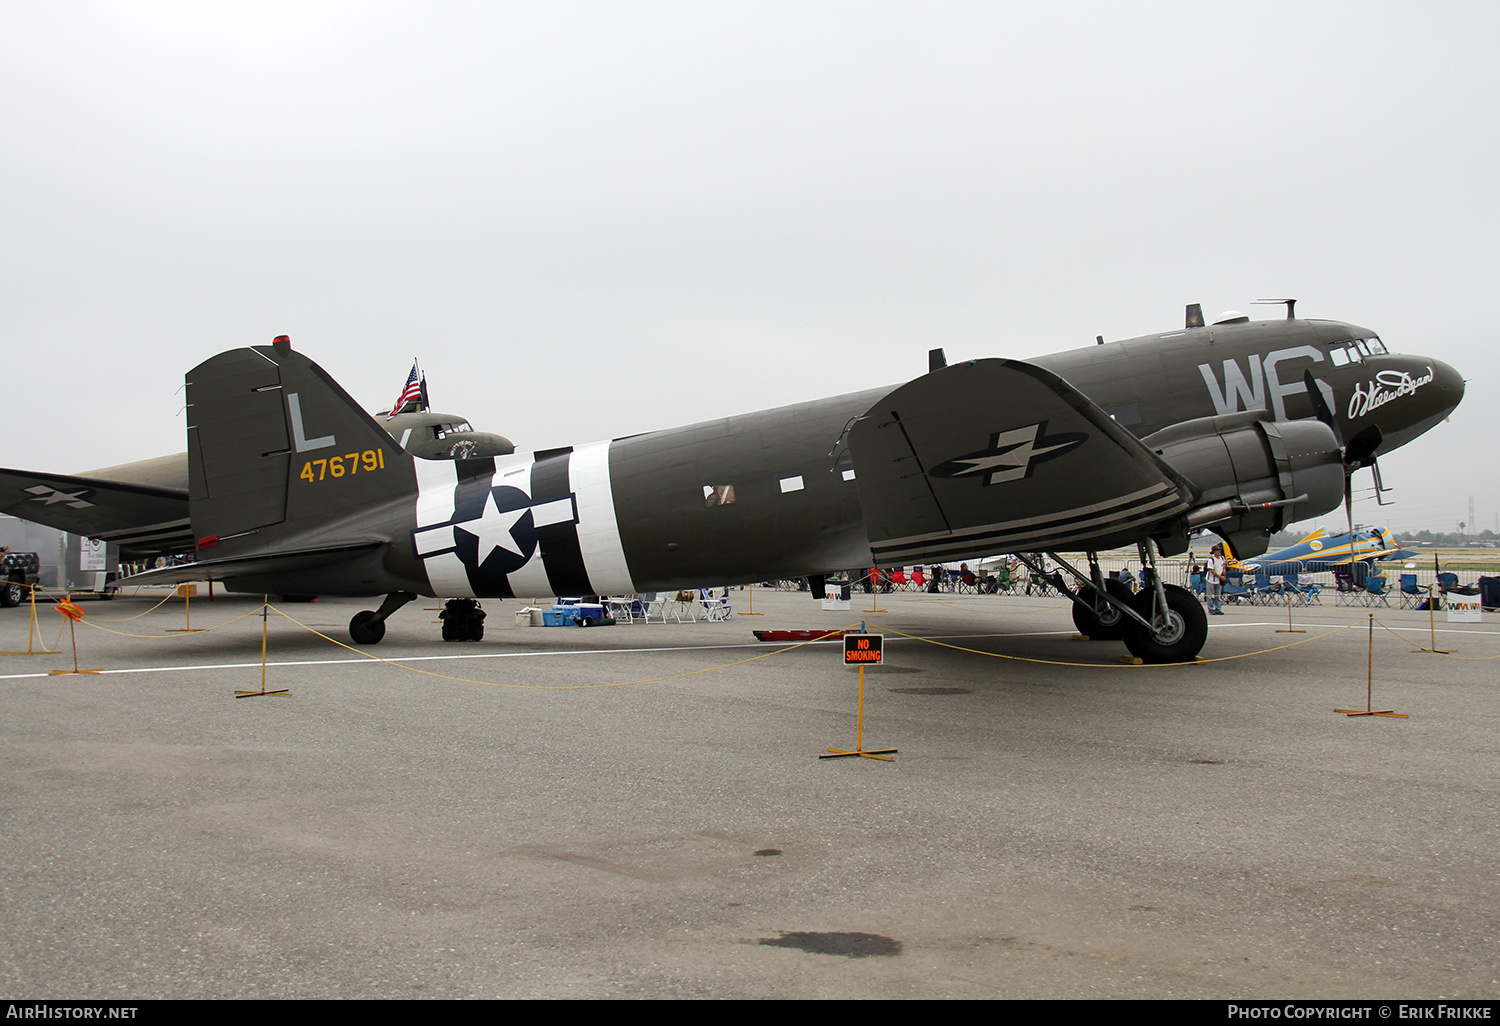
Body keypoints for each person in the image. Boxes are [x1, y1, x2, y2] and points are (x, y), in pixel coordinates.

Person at [1206, 543, 1227, 615]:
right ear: (1214, 552)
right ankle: (1211, 609)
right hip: (1211, 580)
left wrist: (1223, 574)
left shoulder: (1222, 558)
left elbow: (1223, 566)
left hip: (1219, 581)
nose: (1219, 552)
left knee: (1218, 595)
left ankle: (1218, 608)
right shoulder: (1211, 560)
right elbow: (1212, 571)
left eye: (1219, 550)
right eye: (1217, 551)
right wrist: (1220, 577)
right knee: (1209, 596)